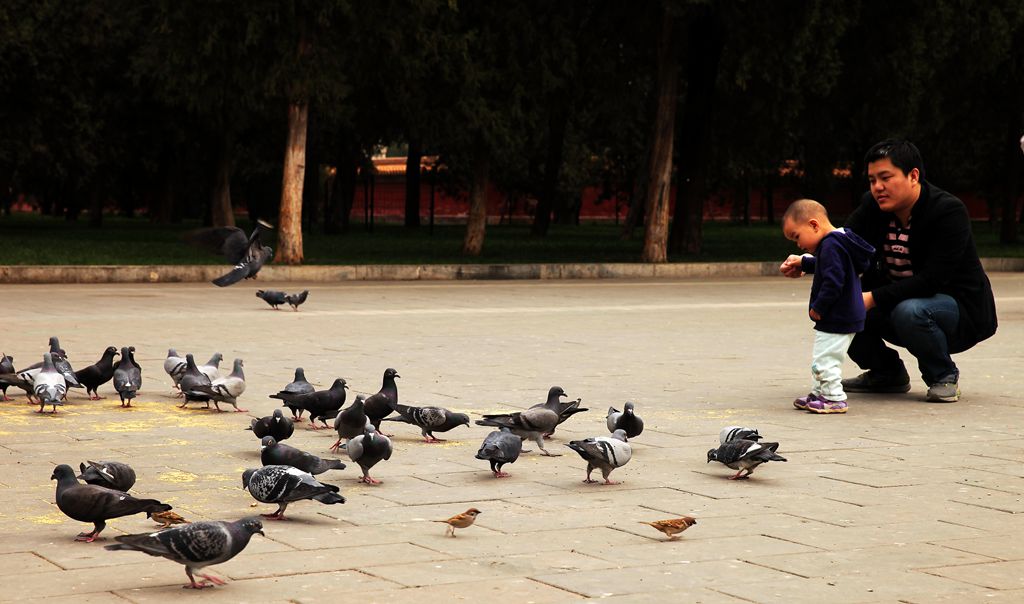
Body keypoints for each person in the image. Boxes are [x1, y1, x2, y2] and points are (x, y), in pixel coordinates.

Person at [781, 139, 997, 402]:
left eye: (885, 178)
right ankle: (887, 373)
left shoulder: (947, 211)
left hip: (956, 312)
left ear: (913, 176)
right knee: (839, 302)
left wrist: (872, 298)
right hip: (897, 305)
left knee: (910, 310)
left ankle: (942, 375)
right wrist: (806, 262)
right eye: (872, 180)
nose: (877, 187)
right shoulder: (873, 207)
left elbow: (932, 280)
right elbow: (844, 248)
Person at [782, 199, 875, 414]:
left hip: (837, 314)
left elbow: (833, 281)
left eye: (797, 236)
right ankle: (819, 393)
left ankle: (834, 397)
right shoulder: (838, 241)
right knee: (823, 355)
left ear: (814, 225)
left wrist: (819, 307)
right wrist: (803, 262)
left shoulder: (831, 245)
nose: (798, 244)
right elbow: (828, 265)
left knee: (826, 358)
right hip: (844, 313)